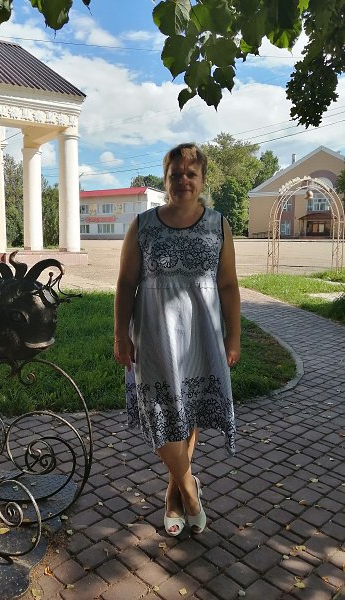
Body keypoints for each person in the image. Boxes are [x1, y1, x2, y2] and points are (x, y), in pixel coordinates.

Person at [114, 143, 240, 537]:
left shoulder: (218, 225)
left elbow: (229, 285)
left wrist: (233, 337)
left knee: (190, 409)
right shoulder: (143, 225)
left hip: (202, 333)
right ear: (165, 179)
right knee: (160, 411)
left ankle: (173, 495)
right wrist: (120, 334)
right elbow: (125, 283)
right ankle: (189, 489)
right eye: (175, 174)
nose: (183, 180)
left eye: (191, 173)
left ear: (202, 180)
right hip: (153, 334)